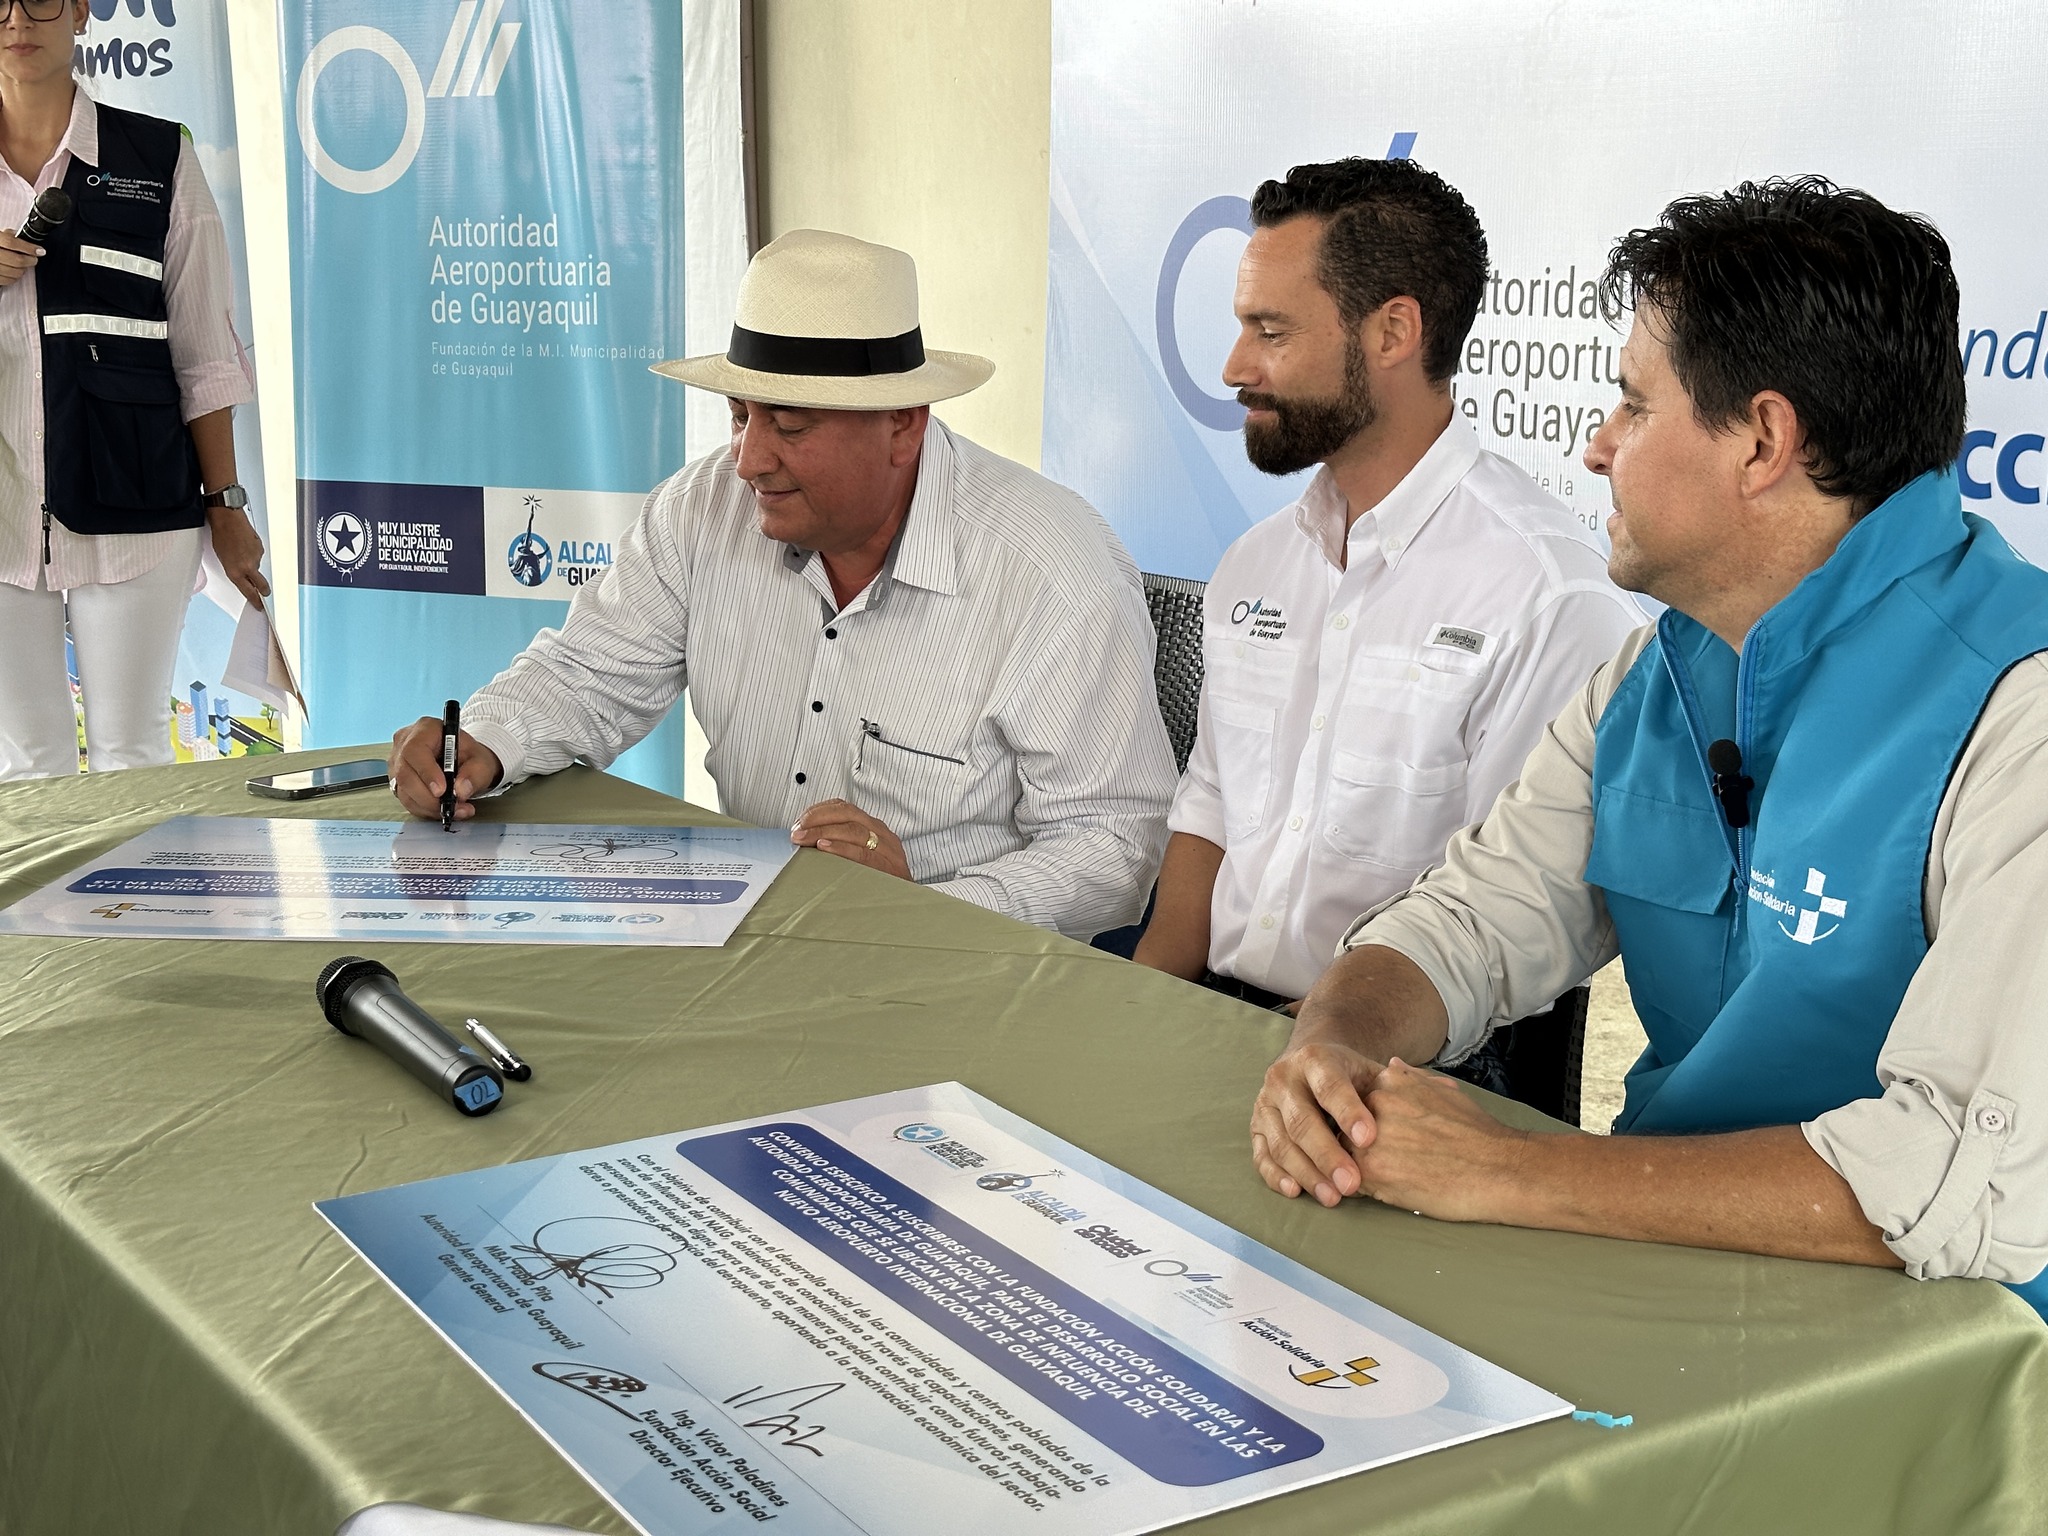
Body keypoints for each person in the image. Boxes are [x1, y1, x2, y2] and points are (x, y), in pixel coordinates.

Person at [1249, 177, 2048, 1317]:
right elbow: (1472, 919)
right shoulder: (1652, 671)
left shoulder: (2021, 712)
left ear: (1762, 442)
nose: (1596, 447)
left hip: (1942, 1351)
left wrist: (1512, 1171)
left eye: (1632, 404)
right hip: (1664, 1284)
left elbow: (1967, 1180)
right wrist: (1333, 1047)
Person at [390, 229, 1176, 940]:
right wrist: (483, 743)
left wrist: (928, 909)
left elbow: (1115, 848)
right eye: (740, 415)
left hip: (969, 979)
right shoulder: (701, 508)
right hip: (751, 943)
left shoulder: (1050, 568)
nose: (748, 460)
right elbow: (588, 675)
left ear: (903, 424)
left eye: (791, 426)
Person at [1133, 159, 1639, 1081]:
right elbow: (1210, 802)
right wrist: (1141, 1009)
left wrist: (1317, 1049)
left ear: (1394, 332)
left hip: (1419, 1065)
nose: (1235, 368)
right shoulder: (1257, 562)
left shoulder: (1548, 597)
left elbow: (1506, 911)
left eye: (1270, 331)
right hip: (1213, 1023)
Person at [0, 0, 264, 781]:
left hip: (138, 505)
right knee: (26, 769)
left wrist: (226, 506)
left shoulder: (158, 156)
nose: (17, 19)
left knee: (133, 761)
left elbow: (205, 352)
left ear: (81, 12)